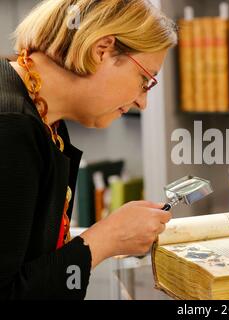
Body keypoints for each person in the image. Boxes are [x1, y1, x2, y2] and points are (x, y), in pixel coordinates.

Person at [0, 0, 177, 299]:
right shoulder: (11, 127)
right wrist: (106, 238)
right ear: (102, 50)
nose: (142, 102)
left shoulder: (45, 119)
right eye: (144, 81)